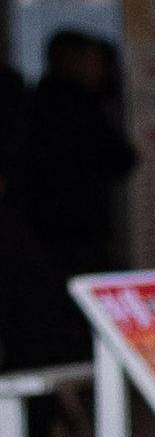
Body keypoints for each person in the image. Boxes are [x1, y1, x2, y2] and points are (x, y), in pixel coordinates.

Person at [10, 31, 130, 281]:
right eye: (94, 61)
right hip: (77, 226)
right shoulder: (79, 105)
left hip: (43, 225)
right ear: (75, 62)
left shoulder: (35, 101)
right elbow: (117, 158)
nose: (102, 70)